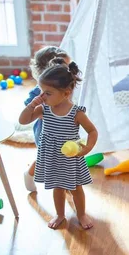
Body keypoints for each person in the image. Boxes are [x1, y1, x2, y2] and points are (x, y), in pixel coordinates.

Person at [19, 58, 98, 230]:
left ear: (66, 93)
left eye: (47, 93)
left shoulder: (76, 113)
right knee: (58, 187)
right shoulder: (43, 109)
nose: (42, 96)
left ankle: (81, 214)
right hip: (52, 156)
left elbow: (92, 131)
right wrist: (32, 105)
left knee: (76, 188)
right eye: (41, 91)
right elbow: (23, 120)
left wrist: (87, 148)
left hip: (70, 157)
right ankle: (60, 214)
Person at [23, 46, 71, 192]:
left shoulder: (67, 87)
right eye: (65, 68)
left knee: (66, 157)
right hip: (47, 132)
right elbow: (28, 105)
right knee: (46, 159)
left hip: (65, 130)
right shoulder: (41, 91)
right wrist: (41, 110)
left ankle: (66, 182)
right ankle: (29, 174)